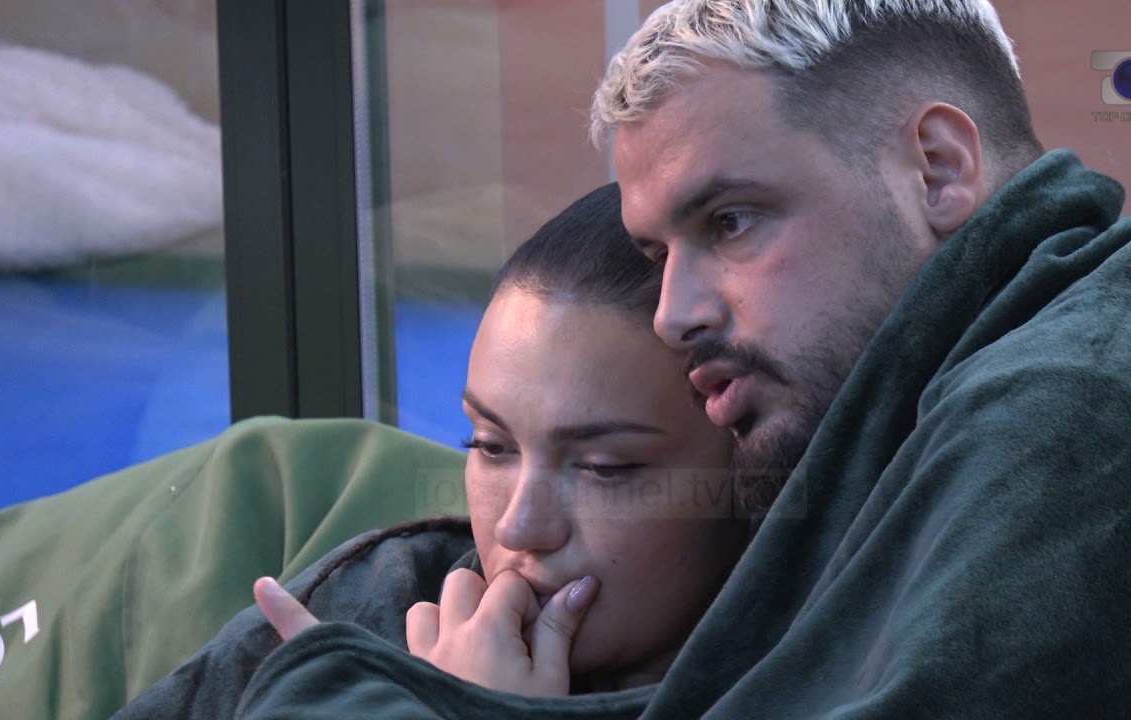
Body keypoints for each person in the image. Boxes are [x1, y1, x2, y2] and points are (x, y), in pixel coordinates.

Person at [225, 1, 1131, 718]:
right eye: (655, 255)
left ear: (938, 170)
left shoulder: (1104, 406)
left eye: (730, 220)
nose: (673, 315)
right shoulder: (951, 397)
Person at [112, 182, 748, 716]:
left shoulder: (803, 680)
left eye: (604, 468)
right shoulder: (369, 609)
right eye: (490, 445)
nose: (518, 527)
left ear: (753, 473)